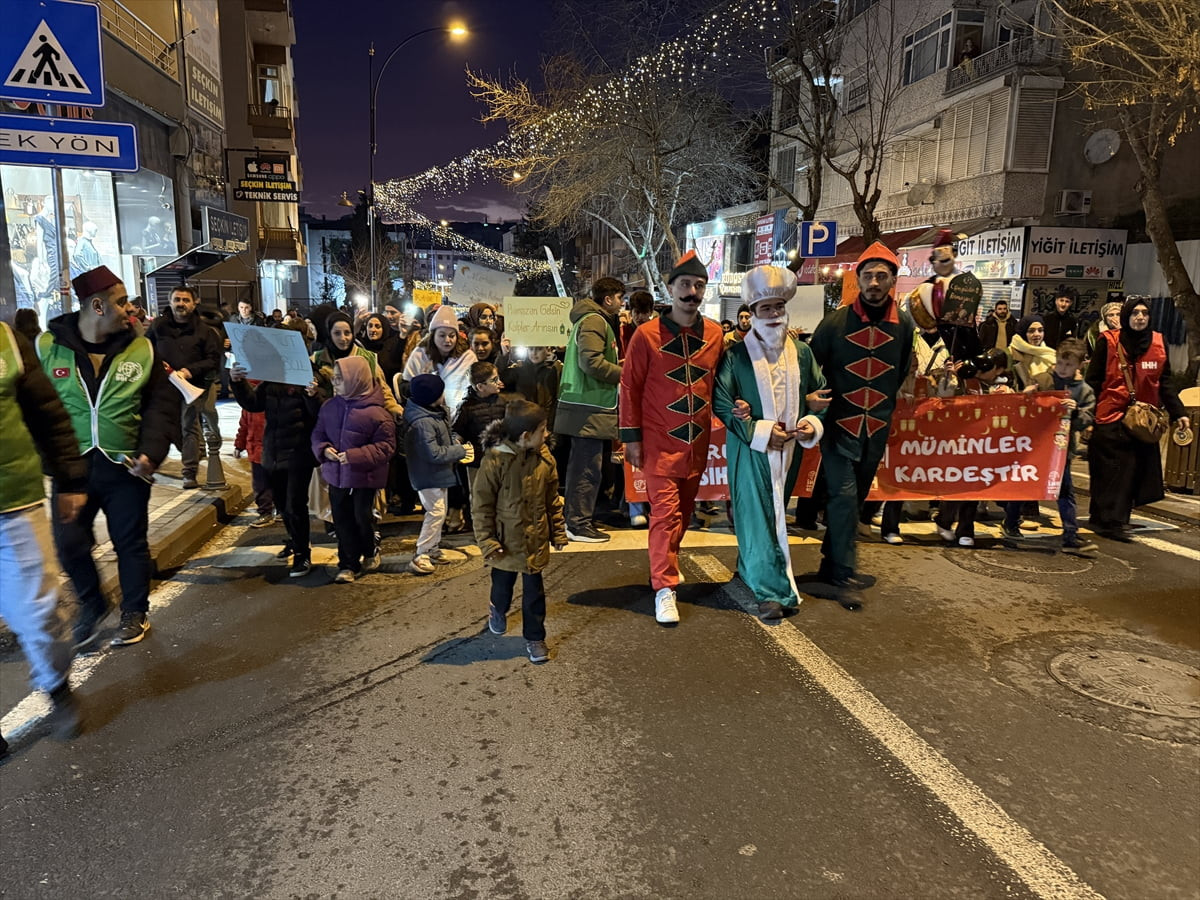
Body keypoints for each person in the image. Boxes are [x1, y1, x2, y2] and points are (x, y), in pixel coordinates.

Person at [36, 265, 178, 647]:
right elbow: (37, 410)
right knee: (68, 543)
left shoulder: (142, 347)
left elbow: (160, 408)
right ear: (97, 306)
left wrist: (151, 453)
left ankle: (135, 612)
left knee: (130, 542)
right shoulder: (48, 348)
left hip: (125, 466)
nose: (130, 310)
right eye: (121, 302)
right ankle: (93, 602)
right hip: (72, 468)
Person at [713, 266, 827, 621]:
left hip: (789, 452)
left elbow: (818, 395)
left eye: (779, 307)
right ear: (753, 314)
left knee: (772, 513)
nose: (774, 314)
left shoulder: (804, 354)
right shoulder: (736, 355)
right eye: (766, 308)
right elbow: (720, 401)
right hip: (751, 450)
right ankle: (771, 591)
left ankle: (751, 569)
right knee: (759, 515)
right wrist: (758, 429)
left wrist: (811, 422)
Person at [808, 242, 915, 610]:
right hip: (839, 428)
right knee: (843, 496)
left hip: (876, 430)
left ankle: (829, 562)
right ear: (858, 280)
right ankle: (842, 572)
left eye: (881, 276)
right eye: (868, 275)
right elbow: (812, 369)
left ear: (892, 281)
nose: (873, 282)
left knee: (854, 499)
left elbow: (899, 371)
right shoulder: (834, 322)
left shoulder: (905, 326)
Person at [620, 251, 724, 624]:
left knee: (683, 514)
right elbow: (629, 387)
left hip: (696, 446)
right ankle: (664, 587)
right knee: (664, 516)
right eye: (684, 285)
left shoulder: (715, 334)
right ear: (670, 288)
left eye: (698, 286)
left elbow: (722, 385)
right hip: (657, 444)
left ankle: (667, 567)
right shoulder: (645, 335)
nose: (691, 292)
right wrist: (631, 439)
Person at [0, 321, 89, 755]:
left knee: (41, 615)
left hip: (12, 502)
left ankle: (56, 686)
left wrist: (70, 477)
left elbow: (48, 413)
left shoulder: (7, 340)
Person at [1085, 297, 1189, 542]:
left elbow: (1165, 383)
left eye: (1144, 313)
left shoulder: (1158, 342)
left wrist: (1179, 413)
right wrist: (1086, 417)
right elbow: (1093, 381)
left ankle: (1112, 518)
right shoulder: (1109, 342)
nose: (1140, 317)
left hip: (1143, 421)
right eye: (1135, 313)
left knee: (1133, 471)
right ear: (1126, 317)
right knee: (1112, 471)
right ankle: (1108, 520)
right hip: (1109, 417)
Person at [474, 399, 568, 664]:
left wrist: (558, 531)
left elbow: (552, 500)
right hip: (505, 542)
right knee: (502, 585)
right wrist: (488, 542)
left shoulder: (545, 458)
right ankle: (498, 608)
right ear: (526, 436)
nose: (547, 434)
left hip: (535, 539)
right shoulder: (495, 461)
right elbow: (481, 507)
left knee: (534, 594)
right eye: (543, 429)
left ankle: (535, 637)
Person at [230, 319, 322, 576]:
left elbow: (319, 413)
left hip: (298, 453)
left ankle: (303, 554)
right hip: (273, 452)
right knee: (282, 505)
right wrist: (238, 382)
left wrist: (313, 396)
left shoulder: (307, 372)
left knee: (295, 504)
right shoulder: (271, 375)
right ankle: (295, 541)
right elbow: (253, 404)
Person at [999, 338, 1098, 553]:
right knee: (1023, 485)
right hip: (1034, 445)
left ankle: (1071, 534)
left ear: (1080, 365)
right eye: (1060, 364)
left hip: (1061, 449)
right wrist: (1026, 396)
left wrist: (1075, 411)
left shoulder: (1083, 391)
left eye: (1069, 365)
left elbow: (1087, 419)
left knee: (1064, 491)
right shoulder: (1042, 380)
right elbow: (1022, 409)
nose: (1063, 369)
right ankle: (1011, 523)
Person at [311, 355, 396, 583]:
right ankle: (348, 564)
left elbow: (386, 447)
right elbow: (318, 434)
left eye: (340, 378)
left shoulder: (378, 414)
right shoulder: (329, 407)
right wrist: (324, 449)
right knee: (341, 520)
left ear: (356, 379)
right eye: (335, 378)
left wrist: (354, 456)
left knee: (361, 516)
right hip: (336, 476)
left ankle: (369, 550)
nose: (335, 382)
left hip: (364, 477)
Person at [557, 276, 624, 543]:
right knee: (587, 468)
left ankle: (576, 519)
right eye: (620, 298)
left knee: (585, 466)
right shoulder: (595, 321)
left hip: (587, 405)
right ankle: (578, 524)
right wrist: (625, 373)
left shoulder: (590, 320)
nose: (622, 303)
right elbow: (591, 363)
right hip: (589, 406)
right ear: (608, 299)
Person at [150, 285, 226, 489]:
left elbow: (212, 359)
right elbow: (145, 350)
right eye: (177, 300)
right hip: (164, 388)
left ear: (194, 304)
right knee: (160, 426)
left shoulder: (204, 331)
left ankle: (189, 472)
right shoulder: (158, 327)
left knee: (188, 427)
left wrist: (189, 370)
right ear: (170, 302)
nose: (181, 304)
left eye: (185, 300)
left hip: (192, 387)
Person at [401, 373, 473, 575]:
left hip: (437, 473)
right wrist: (460, 451)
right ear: (432, 396)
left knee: (438, 511)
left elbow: (444, 435)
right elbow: (433, 453)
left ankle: (432, 548)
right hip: (427, 474)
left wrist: (454, 440)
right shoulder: (423, 422)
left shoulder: (433, 413)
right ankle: (421, 553)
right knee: (436, 512)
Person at [233, 401, 275, 527]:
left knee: (279, 482)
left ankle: (280, 509)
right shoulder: (249, 406)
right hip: (256, 451)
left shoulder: (274, 402)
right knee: (261, 484)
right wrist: (239, 446)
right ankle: (265, 512)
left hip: (275, 451)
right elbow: (244, 426)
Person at [1008, 314, 1056, 391]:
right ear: (1023, 333)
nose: (1037, 334)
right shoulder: (1011, 353)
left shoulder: (1050, 354)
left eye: (1040, 330)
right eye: (1031, 331)